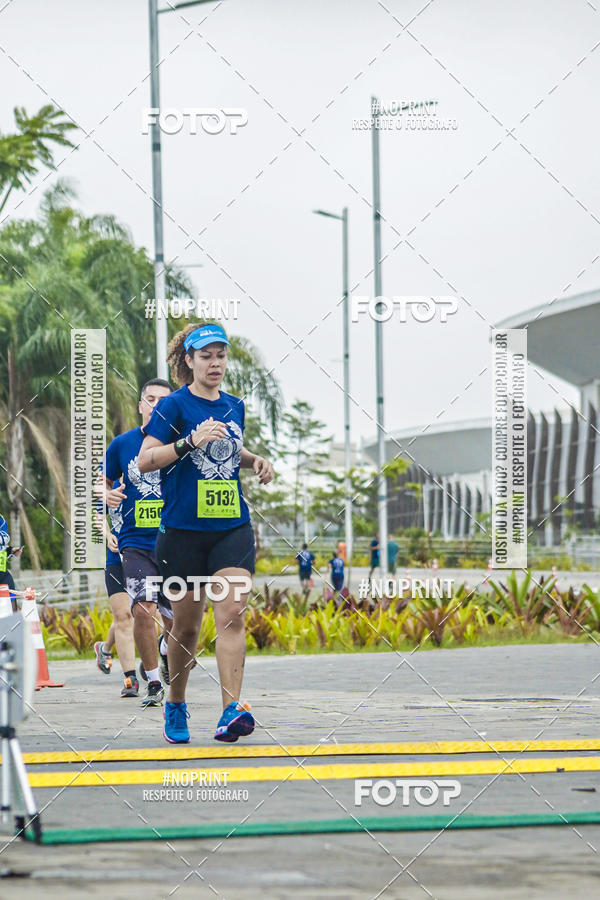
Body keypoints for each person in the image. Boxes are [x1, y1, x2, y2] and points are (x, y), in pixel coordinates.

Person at [138, 322, 274, 745]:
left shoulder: (235, 405)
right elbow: (145, 461)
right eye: (206, 356)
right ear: (189, 361)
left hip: (231, 527)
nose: (215, 363)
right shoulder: (173, 407)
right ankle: (175, 701)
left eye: (221, 355)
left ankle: (231, 709)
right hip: (182, 533)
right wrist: (187, 443)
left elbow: (229, 449)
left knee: (232, 612)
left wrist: (254, 461)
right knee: (187, 628)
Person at [103, 379, 173, 708]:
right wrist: (105, 494)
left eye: (164, 400)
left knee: (178, 622)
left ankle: (164, 648)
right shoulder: (121, 444)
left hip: (176, 541)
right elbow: (101, 486)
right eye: (150, 399)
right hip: (135, 542)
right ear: (140, 405)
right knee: (142, 610)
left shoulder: (182, 443)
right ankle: (154, 681)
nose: (157, 405)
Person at [93, 495, 138, 698]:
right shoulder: (108, 481)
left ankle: (105, 647)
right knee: (123, 616)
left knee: (140, 612)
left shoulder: (152, 475)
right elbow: (98, 515)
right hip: (116, 557)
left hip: (146, 554)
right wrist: (107, 534)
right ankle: (130, 679)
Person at [0, 514, 23, 611]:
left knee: (12, 607)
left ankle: (13, 624)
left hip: (2, 574)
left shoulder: (1, 520)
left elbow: (3, 544)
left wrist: (12, 550)